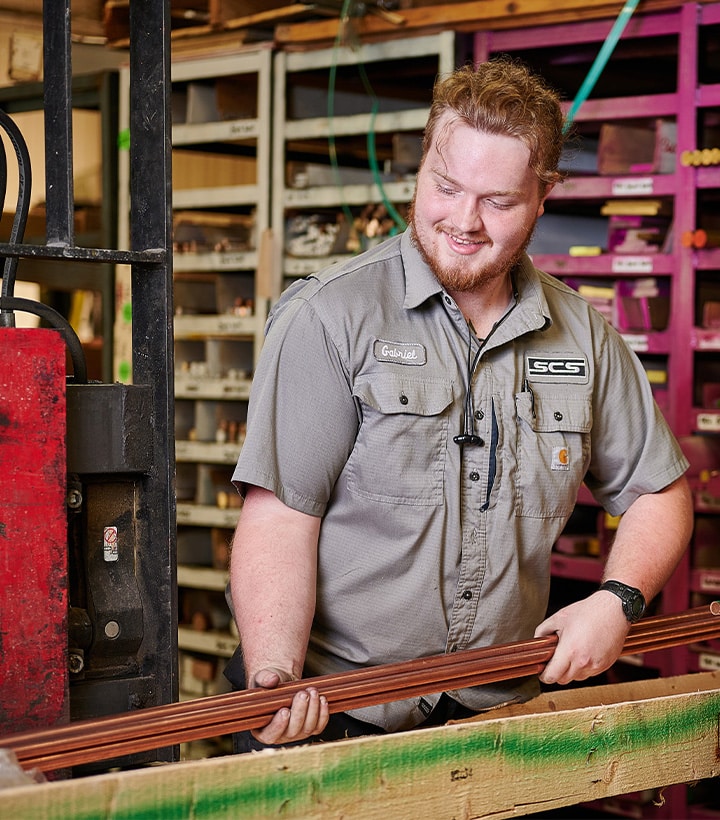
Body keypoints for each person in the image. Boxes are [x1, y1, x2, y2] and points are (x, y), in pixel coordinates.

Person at [224, 57, 693, 750]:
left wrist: (616, 600)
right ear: (421, 169)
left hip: (497, 717)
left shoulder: (585, 336)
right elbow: (282, 511)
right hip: (339, 714)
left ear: (543, 197)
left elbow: (660, 490)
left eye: (498, 202)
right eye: (445, 187)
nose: (464, 221)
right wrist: (275, 672)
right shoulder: (331, 317)